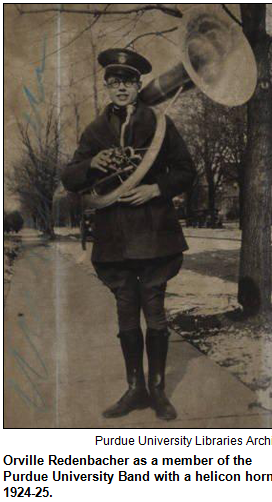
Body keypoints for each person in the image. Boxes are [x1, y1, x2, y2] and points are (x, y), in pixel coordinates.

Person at [61, 48, 195, 421]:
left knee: (155, 315)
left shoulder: (159, 122)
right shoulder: (95, 130)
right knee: (125, 317)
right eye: (114, 81)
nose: (121, 88)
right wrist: (92, 164)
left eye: (129, 81)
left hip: (153, 237)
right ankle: (134, 388)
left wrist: (155, 189)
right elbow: (69, 178)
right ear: (107, 87)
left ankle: (157, 390)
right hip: (116, 241)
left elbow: (186, 171)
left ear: (138, 86)